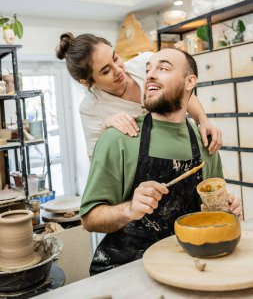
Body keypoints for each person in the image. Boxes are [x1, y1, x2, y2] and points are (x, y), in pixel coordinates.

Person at [80, 48, 241, 275]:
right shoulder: (117, 138)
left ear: (190, 82)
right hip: (127, 270)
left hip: (190, 266)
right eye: (148, 70)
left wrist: (227, 211)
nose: (150, 75)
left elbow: (215, 212)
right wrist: (129, 209)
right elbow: (89, 219)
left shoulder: (206, 139)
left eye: (163, 68)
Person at [56, 33, 222, 158]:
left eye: (115, 58)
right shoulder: (91, 108)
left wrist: (203, 121)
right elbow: (96, 159)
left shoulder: (146, 63)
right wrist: (105, 126)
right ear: (87, 82)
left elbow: (180, 91)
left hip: (181, 144)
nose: (119, 70)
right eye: (106, 70)